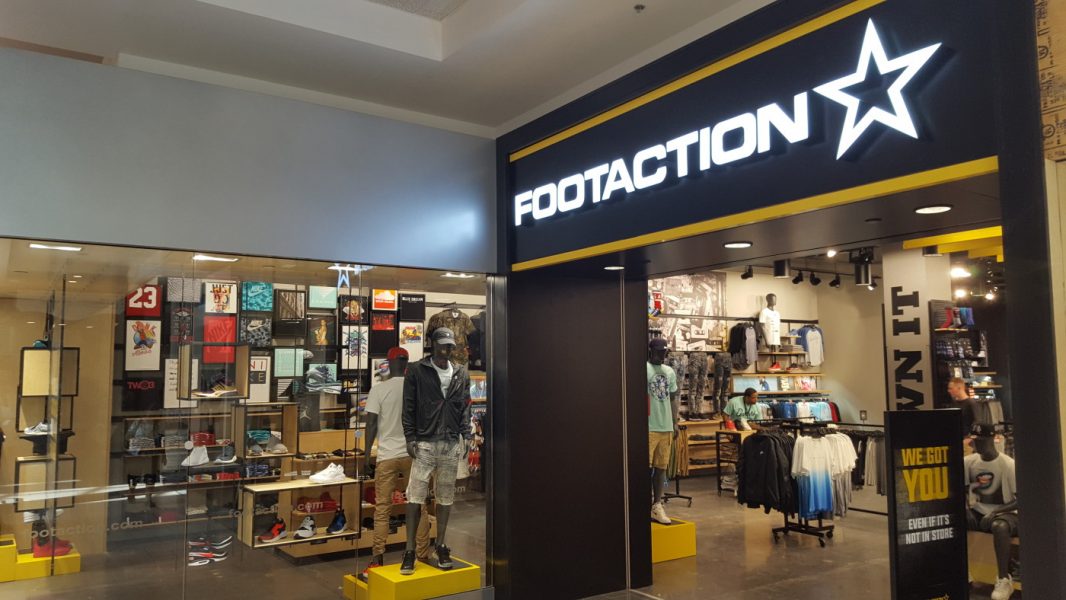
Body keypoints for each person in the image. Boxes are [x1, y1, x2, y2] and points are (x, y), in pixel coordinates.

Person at [400, 327, 472, 575]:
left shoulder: (461, 372)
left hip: (450, 441)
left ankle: (440, 544)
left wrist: (466, 434)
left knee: (445, 496)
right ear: (432, 344)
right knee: (415, 495)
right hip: (425, 440)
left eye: (450, 345)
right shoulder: (417, 370)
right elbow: (409, 405)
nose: (446, 350)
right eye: (442, 345)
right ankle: (409, 550)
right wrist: (410, 436)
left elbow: (464, 406)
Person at [360, 347, 432, 579]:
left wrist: (366, 456)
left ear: (389, 363)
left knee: (382, 508)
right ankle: (422, 554)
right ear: (407, 364)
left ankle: (377, 557)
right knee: (418, 505)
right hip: (414, 454)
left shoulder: (379, 390)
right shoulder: (417, 388)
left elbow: (371, 425)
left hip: (387, 455)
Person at [965, 425, 1019, 600]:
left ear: (991, 439)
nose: (976, 444)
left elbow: (1020, 500)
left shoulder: (1008, 464)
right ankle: (964, 571)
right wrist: (967, 509)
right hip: (978, 512)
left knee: (1000, 526)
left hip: (1007, 513)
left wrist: (995, 512)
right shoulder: (968, 462)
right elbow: (962, 490)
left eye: (981, 441)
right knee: (953, 520)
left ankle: (1004, 579)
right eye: (975, 440)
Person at [647, 338, 679, 525]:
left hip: (665, 426)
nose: (662, 355)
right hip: (649, 426)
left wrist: (675, 422)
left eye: (664, 352)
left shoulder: (669, 371)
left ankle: (657, 505)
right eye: (659, 352)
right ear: (651, 351)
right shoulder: (643, 368)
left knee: (661, 469)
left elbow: (673, 398)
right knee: (646, 468)